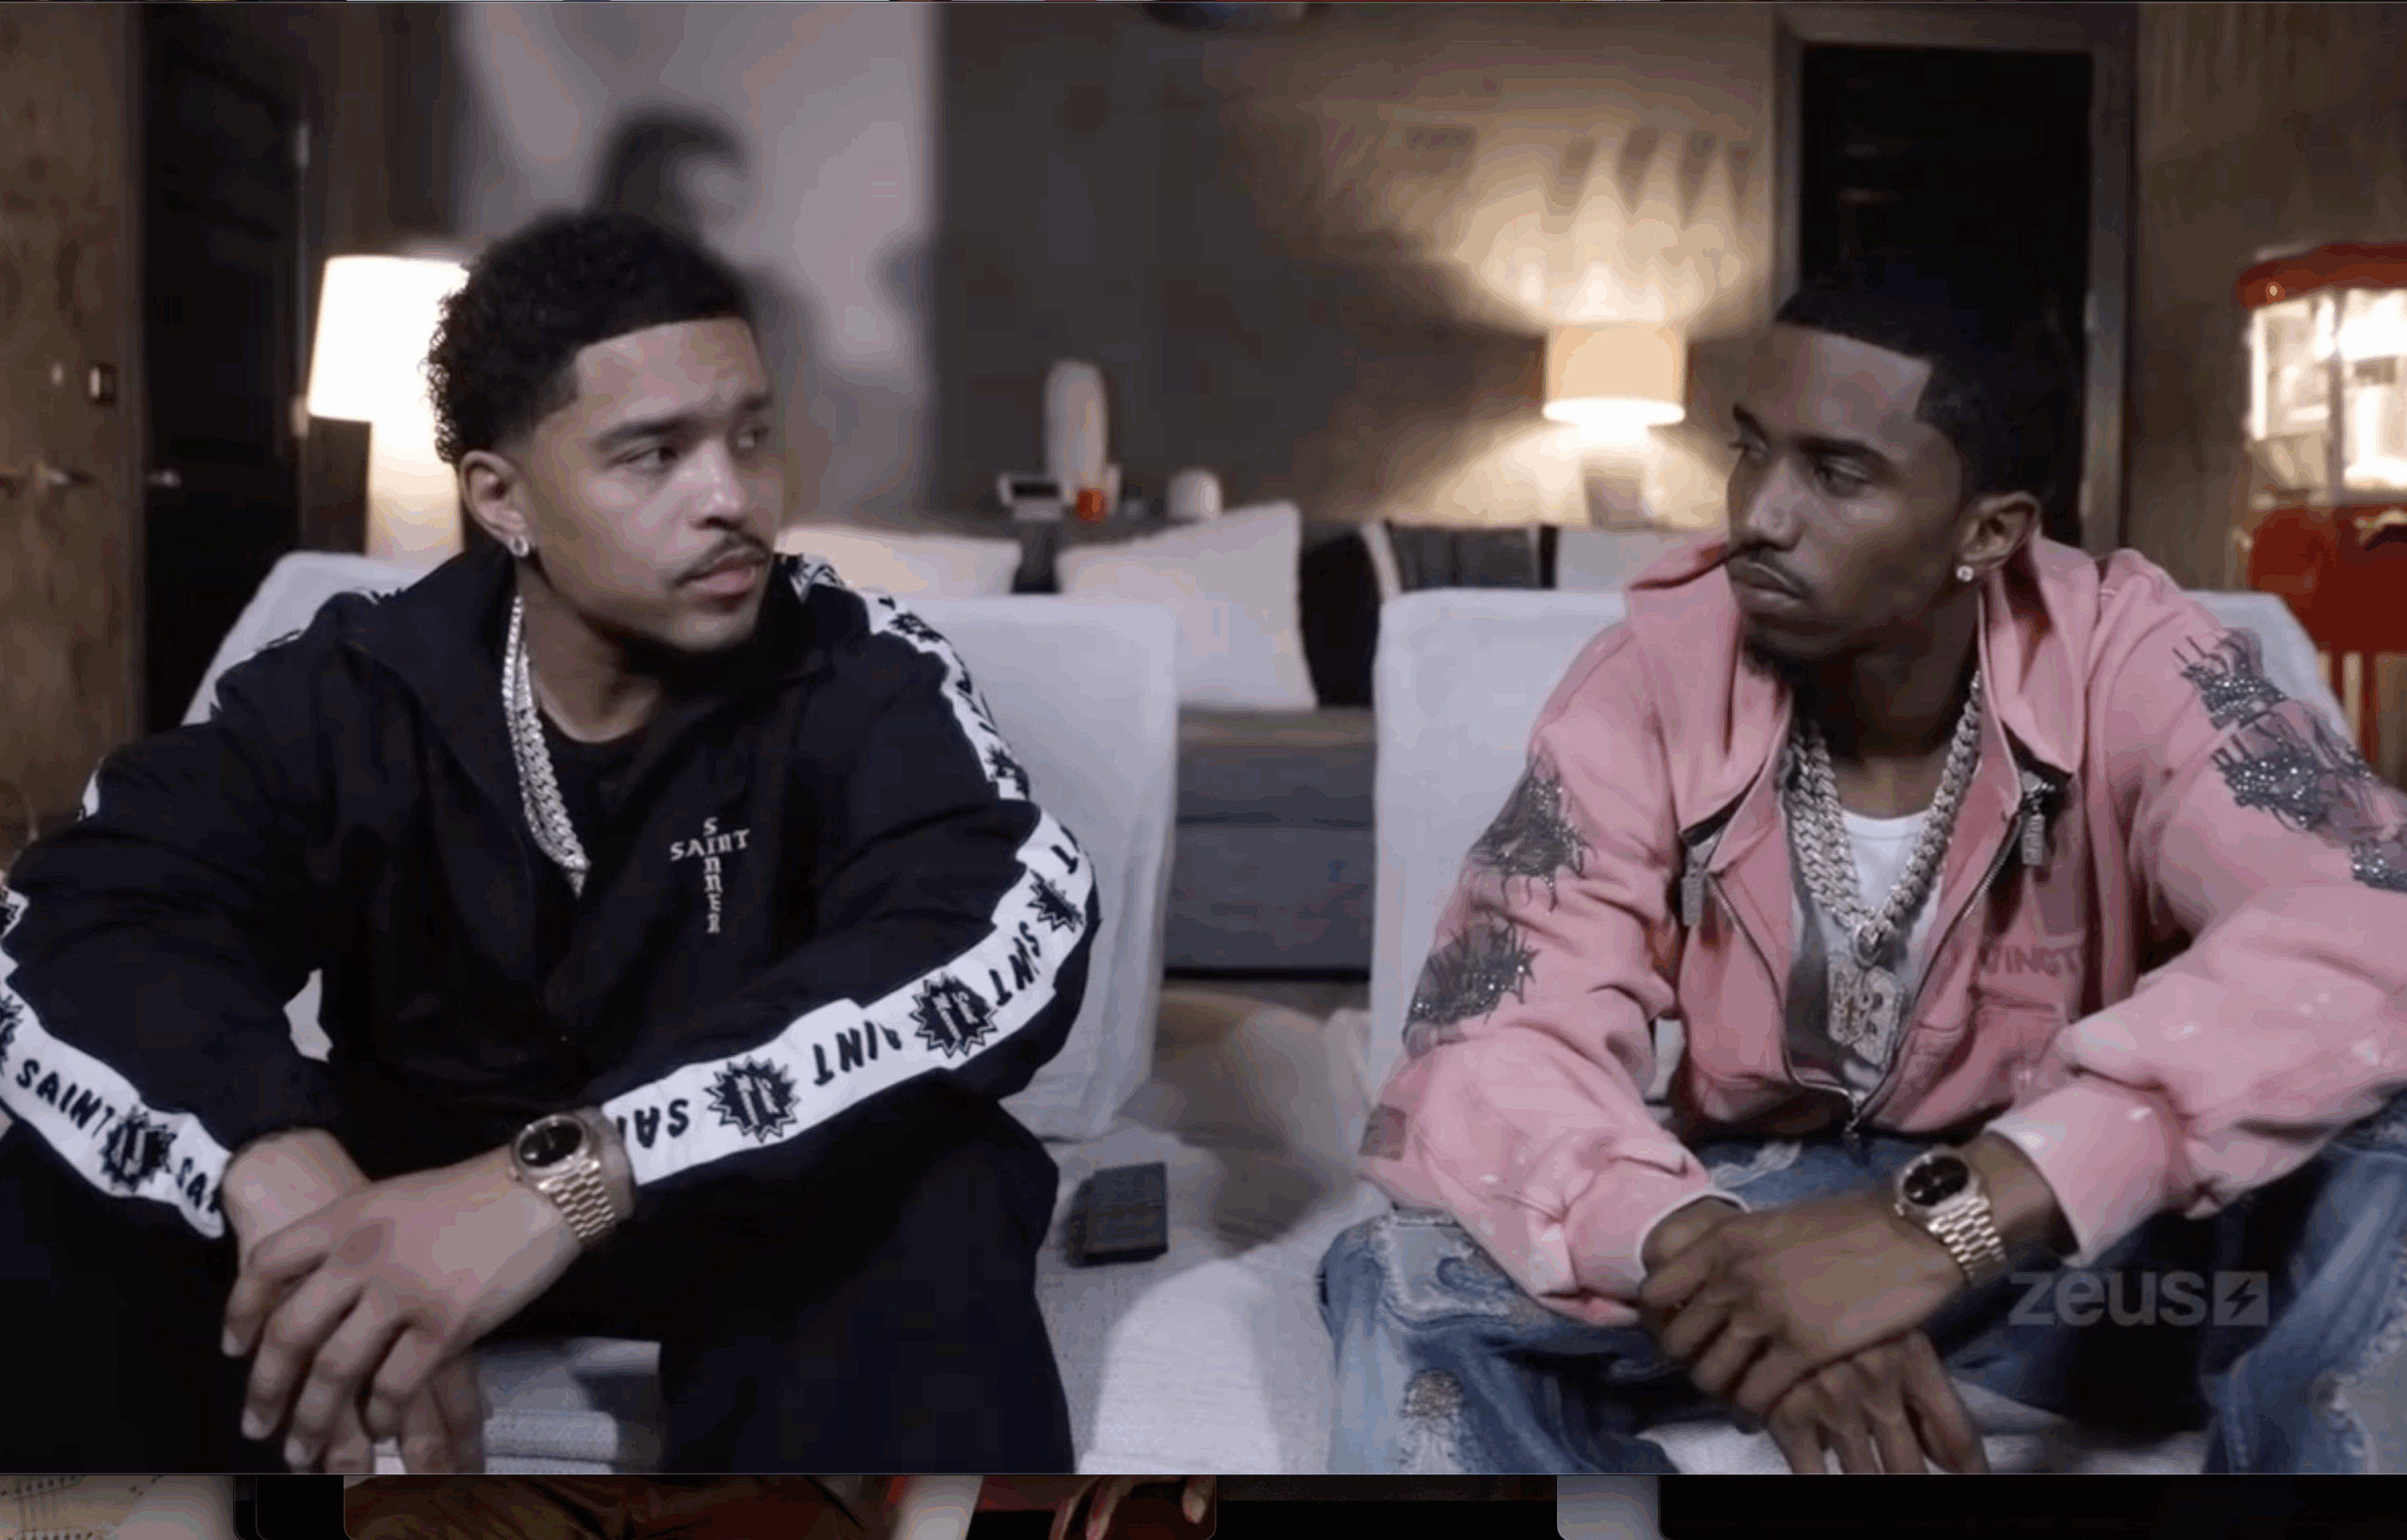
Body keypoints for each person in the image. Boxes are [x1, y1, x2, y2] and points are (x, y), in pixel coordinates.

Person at [0, 211, 1096, 1473]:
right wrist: (266, 1156)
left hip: (744, 1188)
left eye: (750, 435)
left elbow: (1003, 919)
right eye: (654, 454)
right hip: (401, 1181)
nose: (734, 498)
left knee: (938, 1184)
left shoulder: (861, 668)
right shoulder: (357, 684)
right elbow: (87, 915)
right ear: (501, 497)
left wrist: (569, 1174)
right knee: (65, 1186)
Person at [1318, 250, 2407, 1475]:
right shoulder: (1651, 685)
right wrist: (1733, 1271)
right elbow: (1488, 1041)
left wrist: (1943, 1224)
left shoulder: (2133, 656)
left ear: (1988, 531)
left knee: (2387, 1144)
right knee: (1406, 1275)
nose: (1760, 516)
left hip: (2084, 1249)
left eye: (1836, 474)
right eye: (1752, 449)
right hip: (1772, 1212)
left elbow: (2372, 914)